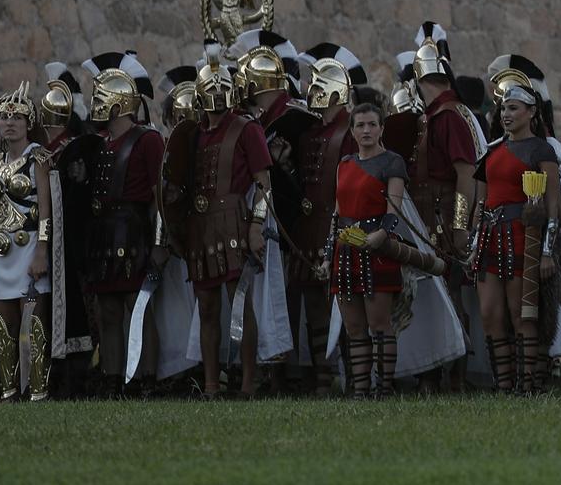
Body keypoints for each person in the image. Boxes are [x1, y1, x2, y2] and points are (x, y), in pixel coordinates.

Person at [469, 60, 561, 393]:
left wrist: (546, 253)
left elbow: (554, 208)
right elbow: (481, 204)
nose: (506, 114)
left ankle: (528, 385)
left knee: (521, 314)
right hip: (490, 238)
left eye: (513, 108)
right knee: (490, 314)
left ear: (531, 112)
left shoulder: (542, 150)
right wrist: (472, 245)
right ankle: (504, 385)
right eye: (503, 109)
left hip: (522, 238)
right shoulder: (491, 151)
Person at [175, 54, 274, 396]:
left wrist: (257, 225)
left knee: (239, 302)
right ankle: (212, 385)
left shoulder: (246, 128)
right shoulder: (193, 134)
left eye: (223, 86)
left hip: (234, 222)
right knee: (207, 308)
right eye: (211, 87)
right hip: (200, 225)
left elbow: (264, 183)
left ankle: (248, 384)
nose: (218, 92)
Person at [397, 22, 482, 385]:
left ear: (419, 78)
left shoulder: (448, 116)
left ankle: (458, 378)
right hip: (428, 218)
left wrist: (461, 226)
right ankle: (436, 373)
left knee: (451, 297)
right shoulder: (434, 116)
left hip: (443, 220)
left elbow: (467, 174)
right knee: (436, 298)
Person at [78, 56, 162, 398]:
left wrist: (161, 242)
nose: (95, 106)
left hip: (135, 230)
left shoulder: (148, 140)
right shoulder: (100, 143)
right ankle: (113, 380)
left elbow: (160, 195)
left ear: (118, 103)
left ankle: (147, 380)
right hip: (104, 232)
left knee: (137, 307)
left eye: (100, 99)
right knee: (108, 311)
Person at [328, 101, 416, 396]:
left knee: (379, 324)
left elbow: (395, 208)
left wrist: (381, 235)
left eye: (372, 125)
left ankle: (384, 387)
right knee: (354, 328)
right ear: (352, 131)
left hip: (377, 247)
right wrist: (330, 250)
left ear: (381, 129)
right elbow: (338, 212)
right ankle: (361, 389)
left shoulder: (392, 162)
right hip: (347, 249)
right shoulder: (344, 165)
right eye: (360, 125)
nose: (366, 130)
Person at [290, 46, 361, 389]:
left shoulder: (349, 132)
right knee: (314, 303)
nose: (310, 91)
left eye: (317, 85)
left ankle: (351, 374)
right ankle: (324, 375)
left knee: (345, 303)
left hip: (338, 226)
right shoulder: (309, 134)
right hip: (309, 227)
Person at [0, 84, 55, 400]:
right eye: (4, 117)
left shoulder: (37, 157)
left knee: (32, 322)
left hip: (29, 247)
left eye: (17, 117)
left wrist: (42, 250)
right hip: (0, 251)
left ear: (28, 122)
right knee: (2, 324)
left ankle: (38, 391)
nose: (9, 122)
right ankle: (8, 392)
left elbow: (47, 210)